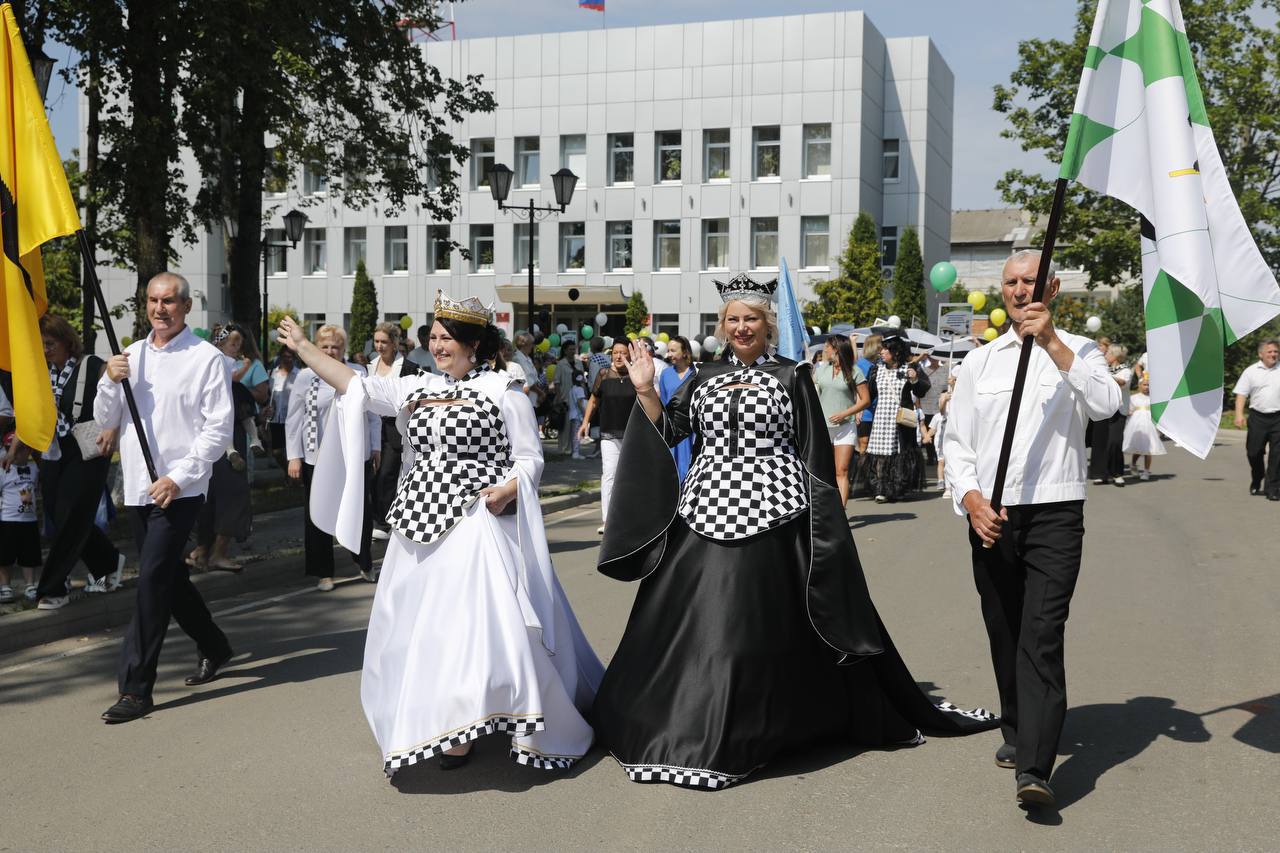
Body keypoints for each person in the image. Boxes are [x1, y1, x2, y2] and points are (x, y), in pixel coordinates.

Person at [592, 273, 996, 791]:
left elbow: (814, 453)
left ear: (767, 326)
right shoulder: (704, 377)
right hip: (703, 507)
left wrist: (823, 520)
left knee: (758, 625)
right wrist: (646, 388)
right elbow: (668, 430)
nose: (742, 328)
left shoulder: (791, 376)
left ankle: (762, 725)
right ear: (723, 326)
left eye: (751, 319)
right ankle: (683, 720)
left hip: (776, 508)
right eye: (734, 319)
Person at [275, 291, 602, 775]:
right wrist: (304, 346)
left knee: (475, 629)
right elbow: (352, 382)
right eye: (433, 337)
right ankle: (448, 721)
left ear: (473, 344)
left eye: (447, 338)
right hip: (416, 521)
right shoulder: (414, 386)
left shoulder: (503, 390)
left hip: (477, 520)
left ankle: (479, 719)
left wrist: (509, 488)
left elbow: (530, 458)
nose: (438, 344)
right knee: (420, 632)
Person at [943, 250, 1121, 807]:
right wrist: (970, 499)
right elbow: (957, 441)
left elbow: (1105, 405)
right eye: (1012, 283)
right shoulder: (981, 362)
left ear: (1053, 287)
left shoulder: (1079, 351)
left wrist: (1052, 344)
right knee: (1006, 628)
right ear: (1003, 291)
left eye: (1031, 281)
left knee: (1041, 632)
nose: (1021, 291)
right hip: (991, 515)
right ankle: (1017, 728)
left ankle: (1036, 769)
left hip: (1054, 512)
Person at [95, 272, 237, 724]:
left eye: (170, 301)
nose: (160, 309)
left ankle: (136, 689)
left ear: (186, 307)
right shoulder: (131, 355)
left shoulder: (206, 358)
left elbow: (218, 430)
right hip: (139, 486)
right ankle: (214, 645)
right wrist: (107, 380)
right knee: (169, 578)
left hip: (181, 488)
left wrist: (179, 477)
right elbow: (106, 419)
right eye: (154, 301)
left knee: (152, 581)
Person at [32, 314, 125, 609]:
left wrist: (112, 428)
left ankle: (54, 588)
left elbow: (117, 395)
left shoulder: (91, 365)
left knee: (70, 515)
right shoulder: (43, 371)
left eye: (50, 344)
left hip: (88, 448)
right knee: (62, 517)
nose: (45, 350)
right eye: (41, 345)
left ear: (66, 341)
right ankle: (109, 563)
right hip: (54, 450)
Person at [286, 325, 380, 591]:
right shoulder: (305, 377)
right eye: (324, 347)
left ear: (343, 349)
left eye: (335, 347)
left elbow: (371, 414)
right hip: (316, 457)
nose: (330, 351)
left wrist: (376, 447)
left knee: (361, 510)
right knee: (317, 512)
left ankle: (364, 562)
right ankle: (323, 571)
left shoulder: (358, 373)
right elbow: (294, 419)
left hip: (352, 454)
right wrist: (294, 456)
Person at [367, 322, 419, 541]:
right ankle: (374, 518)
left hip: (394, 428)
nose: (380, 346)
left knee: (387, 473)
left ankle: (384, 521)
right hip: (371, 425)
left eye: (384, 342)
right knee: (371, 474)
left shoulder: (408, 367)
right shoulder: (369, 366)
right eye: (377, 341)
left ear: (395, 343)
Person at [579, 340, 636, 535]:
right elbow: (593, 400)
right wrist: (585, 423)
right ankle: (607, 520)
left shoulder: (636, 376)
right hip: (609, 433)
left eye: (623, 353)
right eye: (615, 353)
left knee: (629, 478)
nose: (618, 356)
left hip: (632, 435)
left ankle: (628, 517)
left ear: (629, 355)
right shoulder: (603, 375)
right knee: (609, 475)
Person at [867, 335, 930, 503]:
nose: (882, 352)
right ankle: (881, 488)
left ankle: (899, 487)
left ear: (896, 352)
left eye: (886, 349)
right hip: (881, 417)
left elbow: (923, 389)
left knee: (901, 453)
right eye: (882, 348)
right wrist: (859, 410)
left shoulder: (909, 367)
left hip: (901, 418)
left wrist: (915, 379)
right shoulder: (876, 369)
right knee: (881, 454)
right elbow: (869, 393)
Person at [814, 333, 869, 506]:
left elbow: (865, 400)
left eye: (827, 347)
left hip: (845, 427)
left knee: (842, 470)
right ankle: (826, 508)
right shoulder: (821, 369)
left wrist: (845, 414)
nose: (824, 349)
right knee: (825, 471)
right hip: (822, 427)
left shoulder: (854, 371)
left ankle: (841, 513)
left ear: (836, 349)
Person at [1233, 339, 1280, 500]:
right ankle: (1257, 477)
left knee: (1277, 455)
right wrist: (1239, 415)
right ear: (1261, 354)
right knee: (1253, 453)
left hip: (1278, 418)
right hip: (1258, 418)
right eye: (1270, 351)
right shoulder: (1251, 371)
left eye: (1276, 351)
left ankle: (1272, 488)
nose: (1274, 354)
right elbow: (1241, 394)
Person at [0, 433, 40, 604]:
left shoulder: (34, 469)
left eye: (18, 450)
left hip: (29, 519)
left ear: (28, 450)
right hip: (8, 519)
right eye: (10, 450)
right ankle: (5, 586)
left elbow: (37, 485)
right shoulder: (3, 470)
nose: (14, 453)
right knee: (5, 555)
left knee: (29, 554)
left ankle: (30, 584)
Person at [1089, 344, 1132, 487]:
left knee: (1115, 442)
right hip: (1102, 410)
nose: (1105, 355)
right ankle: (1101, 474)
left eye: (1107, 353)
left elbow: (1122, 383)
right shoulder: (1103, 369)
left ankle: (1117, 473)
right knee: (1100, 442)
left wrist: (1104, 376)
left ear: (1115, 356)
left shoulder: (1125, 370)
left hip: (1119, 411)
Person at [657, 335, 697, 482]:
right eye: (668, 350)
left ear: (685, 352)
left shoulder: (697, 373)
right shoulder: (666, 374)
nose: (669, 354)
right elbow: (663, 402)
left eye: (673, 350)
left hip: (693, 430)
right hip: (673, 430)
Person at [1123, 376, 1166, 481]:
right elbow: (1128, 409)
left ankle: (1146, 471)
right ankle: (1133, 464)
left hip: (1149, 425)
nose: (1146, 387)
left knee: (1148, 449)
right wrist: (1129, 412)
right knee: (1138, 448)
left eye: (1148, 385)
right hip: (1136, 425)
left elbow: (1158, 413)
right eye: (1144, 385)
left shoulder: (1153, 399)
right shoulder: (1133, 398)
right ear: (1139, 385)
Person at [265, 346, 299, 469]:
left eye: (289, 357)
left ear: (294, 358)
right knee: (277, 451)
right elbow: (268, 394)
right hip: (275, 418)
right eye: (284, 356)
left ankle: (294, 478)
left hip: (293, 418)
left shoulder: (299, 375)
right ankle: (287, 472)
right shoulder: (273, 373)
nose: (287, 359)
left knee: (293, 451)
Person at [914, 349, 947, 468]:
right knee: (927, 432)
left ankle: (939, 455)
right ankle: (930, 456)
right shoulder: (923, 371)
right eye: (931, 357)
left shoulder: (945, 370)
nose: (933, 359)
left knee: (939, 433)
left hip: (940, 407)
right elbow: (918, 389)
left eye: (935, 357)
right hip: (925, 406)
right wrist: (918, 405)